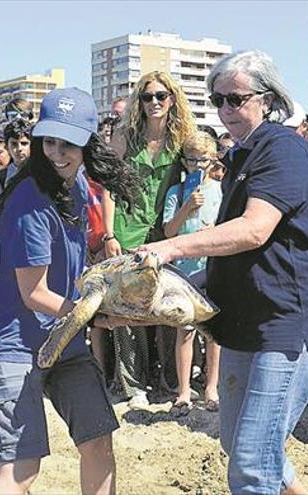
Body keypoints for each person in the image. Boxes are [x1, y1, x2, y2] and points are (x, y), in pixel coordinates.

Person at [128, 50, 308, 495]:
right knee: (246, 446)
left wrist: (169, 248)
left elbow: (254, 230)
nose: (226, 110)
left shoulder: (283, 148)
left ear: (268, 99)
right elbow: (231, 252)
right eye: (218, 100)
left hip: (283, 325)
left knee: (252, 461)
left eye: (237, 99)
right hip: (245, 322)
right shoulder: (242, 154)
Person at [0, 87, 140, 495]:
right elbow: (35, 294)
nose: (56, 152)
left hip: (64, 339)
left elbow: (72, 265)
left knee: (99, 442)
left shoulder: (79, 184)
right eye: (49, 141)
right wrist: (99, 315)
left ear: (87, 143)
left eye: (68, 143)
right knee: (20, 471)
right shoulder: (29, 200)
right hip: (13, 345)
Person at [107, 71, 196, 405]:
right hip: (128, 228)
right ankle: (132, 386)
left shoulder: (182, 137)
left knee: (169, 308)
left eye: (161, 95)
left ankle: (172, 380)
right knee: (126, 312)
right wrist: (109, 232)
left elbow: (201, 171)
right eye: (147, 97)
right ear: (138, 102)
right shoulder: (124, 136)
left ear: (172, 98)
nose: (155, 102)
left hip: (166, 233)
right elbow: (109, 187)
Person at [160, 131, 222, 415]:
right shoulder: (176, 192)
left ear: (214, 161)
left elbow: (228, 229)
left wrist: (214, 233)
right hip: (183, 271)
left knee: (213, 334)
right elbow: (169, 231)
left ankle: (211, 387)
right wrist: (186, 207)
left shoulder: (221, 191)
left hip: (211, 268)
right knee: (184, 332)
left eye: (203, 160)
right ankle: (184, 390)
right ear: (184, 162)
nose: (197, 166)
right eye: (192, 160)